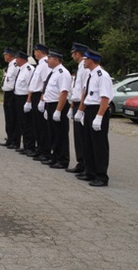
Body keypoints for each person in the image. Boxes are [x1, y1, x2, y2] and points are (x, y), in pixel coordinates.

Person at [75, 50, 114, 187]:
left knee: (99, 144)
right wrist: (80, 111)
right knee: (88, 143)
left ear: (91, 60)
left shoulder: (102, 75)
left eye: (85, 59)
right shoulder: (90, 75)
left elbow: (105, 98)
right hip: (89, 109)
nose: (84, 61)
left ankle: (101, 176)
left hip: (99, 110)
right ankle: (90, 171)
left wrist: (99, 117)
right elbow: (85, 94)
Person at [40, 50, 71, 169]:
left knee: (60, 134)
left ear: (57, 60)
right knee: (52, 133)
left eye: (50, 58)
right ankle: (55, 156)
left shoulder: (63, 73)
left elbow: (63, 93)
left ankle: (63, 159)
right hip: (51, 105)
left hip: (59, 106)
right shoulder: (53, 72)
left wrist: (58, 110)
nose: (47, 60)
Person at [66, 43, 89, 174]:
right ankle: (81, 162)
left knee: (82, 136)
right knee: (78, 136)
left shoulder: (85, 68)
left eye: (73, 53)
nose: (72, 55)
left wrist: (80, 108)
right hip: (76, 104)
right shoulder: (80, 67)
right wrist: (72, 106)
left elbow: (85, 90)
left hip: (82, 104)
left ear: (78, 54)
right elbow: (76, 89)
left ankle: (85, 163)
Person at [25, 44, 51, 160]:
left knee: (42, 127)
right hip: (35, 96)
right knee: (37, 125)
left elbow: (46, 83)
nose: (34, 54)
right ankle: (39, 149)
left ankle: (44, 151)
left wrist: (42, 100)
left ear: (40, 52)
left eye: (35, 51)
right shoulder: (40, 64)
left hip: (40, 96)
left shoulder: (45, 64)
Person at [14, 51, 36, 154]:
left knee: (27, 123)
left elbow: (30, 87)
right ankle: (26, 145)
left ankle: (30, 146)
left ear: (22, 59)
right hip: (18, 97)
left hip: (25, 98)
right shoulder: (21, 69)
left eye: (17, 58)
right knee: (22, 122)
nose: (16, 60)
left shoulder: (28, 70)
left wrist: (28, 101)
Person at [0, 47, 20, 148]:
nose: (4, 56)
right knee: (8, 117)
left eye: (5, 54)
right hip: (7, 93)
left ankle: (14, 140)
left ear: (9, 55)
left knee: (12, 117)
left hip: (12, 93)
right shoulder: (10, 65)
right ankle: (10, 137)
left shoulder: (16, 65)